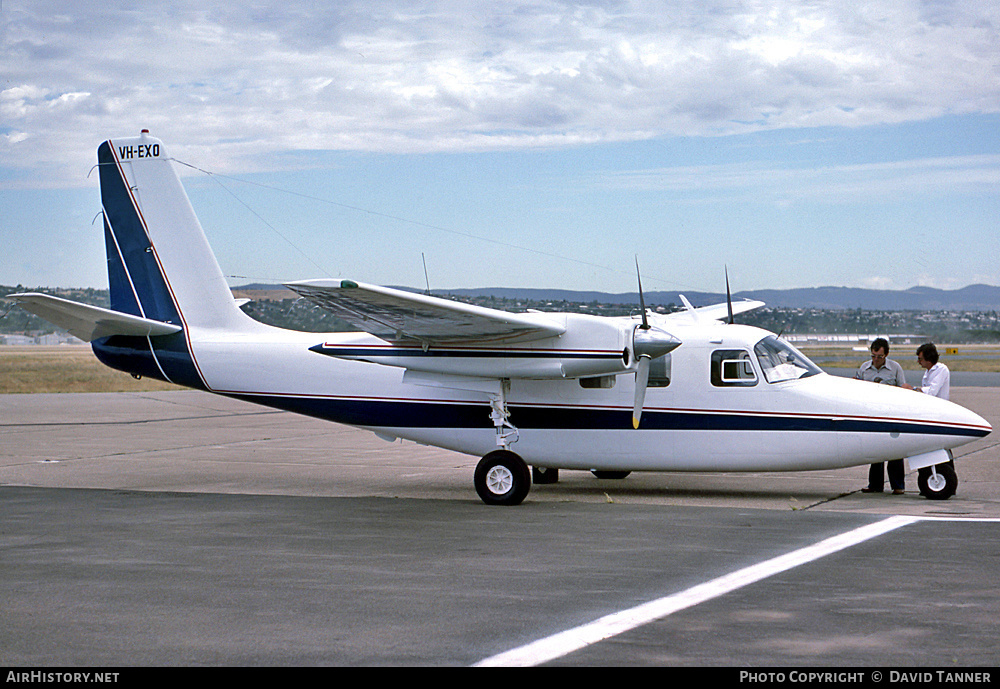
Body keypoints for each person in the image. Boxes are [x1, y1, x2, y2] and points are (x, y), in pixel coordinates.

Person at [856, 338, 906, 494]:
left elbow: (902, 388)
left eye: (879, 356)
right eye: (873, 356)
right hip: (871, 414)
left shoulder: (895, 368)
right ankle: (875, 485)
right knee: (876, 451)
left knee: (895, 451)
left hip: (891, 414)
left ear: (886, 355)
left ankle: (898, 486)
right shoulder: (864, 368)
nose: (876, 360)